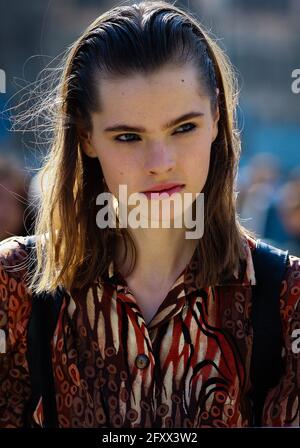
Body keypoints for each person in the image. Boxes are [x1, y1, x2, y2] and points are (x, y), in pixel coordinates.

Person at [0, 0, 299, 429]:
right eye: (127, 136)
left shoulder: (288, 299)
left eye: (183, 128)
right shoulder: (14, 287)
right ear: (86, 137)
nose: (160, 161)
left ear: (216, 117)